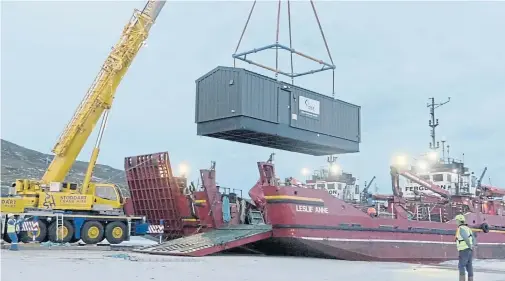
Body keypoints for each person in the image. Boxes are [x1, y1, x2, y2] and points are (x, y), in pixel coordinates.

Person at [455, 214, 474, 281]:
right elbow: (473, 238)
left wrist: (469, 245)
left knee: (461, 266)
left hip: (463, 250)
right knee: (469, 266)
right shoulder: (468, 228)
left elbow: (465, 238)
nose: (455, 222)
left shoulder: (461, 229)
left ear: (459, 221)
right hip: (470, 250)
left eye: (456, 220)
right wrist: (471, 247)